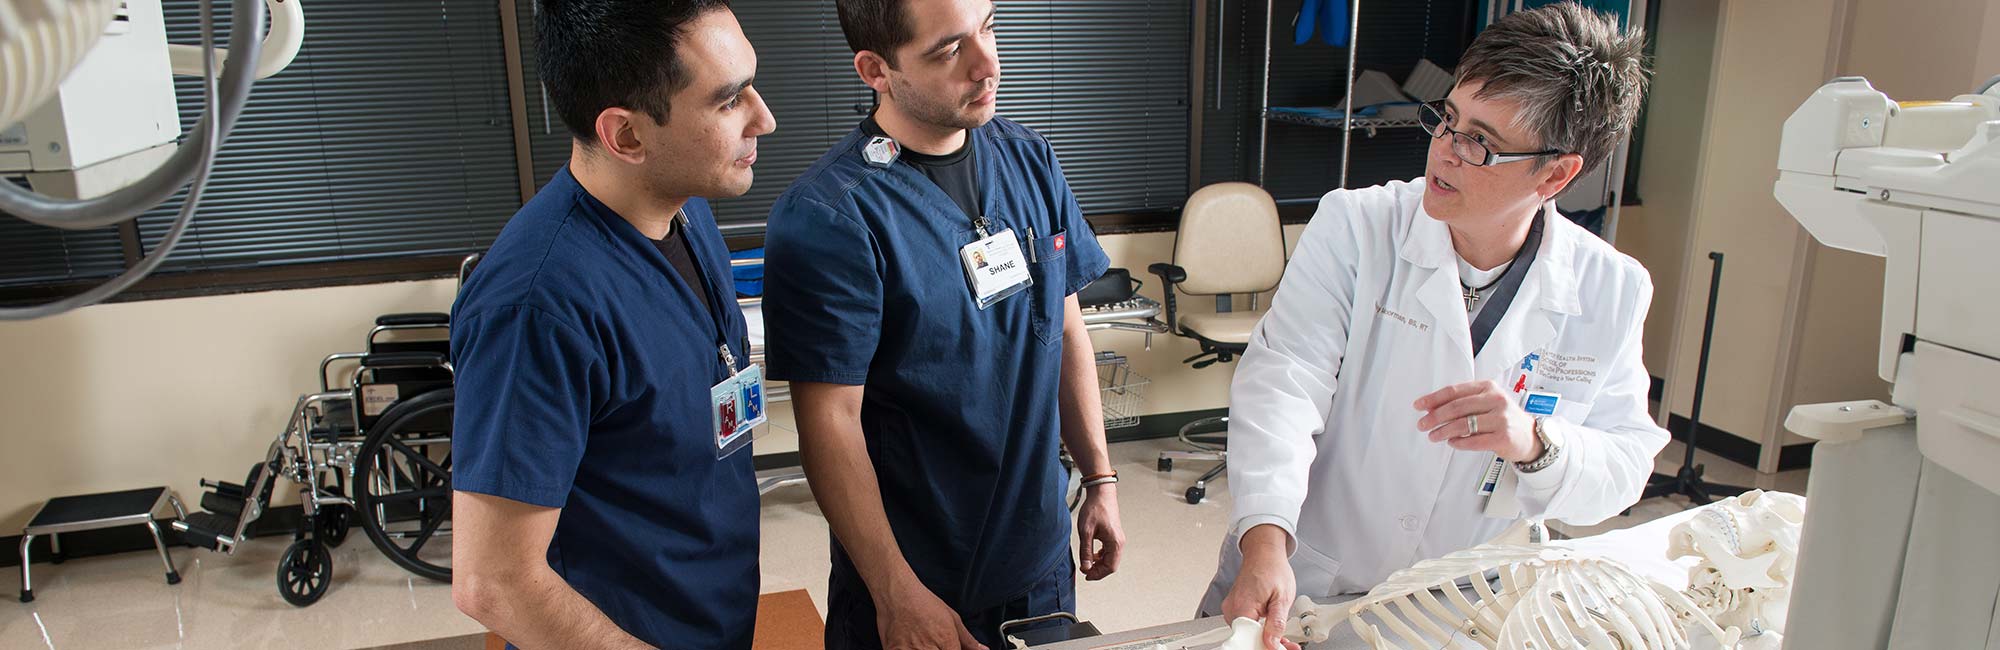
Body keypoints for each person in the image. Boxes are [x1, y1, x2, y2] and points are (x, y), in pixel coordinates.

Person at [1205, 4, 1667, 649]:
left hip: (1467, 607)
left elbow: (1621, 470)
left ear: (1557, 173)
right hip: (1306, 578)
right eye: (1447, 120)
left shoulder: (1611, 288)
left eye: (1481, 142)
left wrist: (1535, 441)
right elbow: (1283, 386)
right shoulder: (1356, 227)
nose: (1445, 153)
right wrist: (1263, 539)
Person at [761, 0, 1125, 647]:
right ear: (876, 68)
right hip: (915, 578)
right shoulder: (831, 217)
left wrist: (1100, 477)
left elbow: (1066, 329)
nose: (987, 65)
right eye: (948, 50)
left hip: (1038, 562)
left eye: (988, 28)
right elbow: (830, 421)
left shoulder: (1029, 161)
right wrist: (895, 591)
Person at [447, 1, 777, 647]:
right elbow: (492, 580)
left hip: (711, 611)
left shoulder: (683, 211)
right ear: (626, 136)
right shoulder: (537, 308)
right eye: (728, 100)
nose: (764, 117)